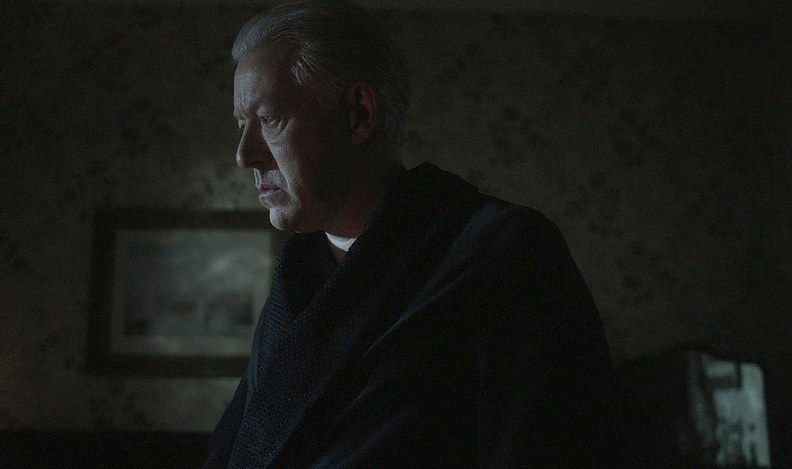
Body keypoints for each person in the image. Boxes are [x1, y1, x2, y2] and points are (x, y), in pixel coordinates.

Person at [204, 1, 622, 467]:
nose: (244, 155)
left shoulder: (507, 253)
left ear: (358, 114)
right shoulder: (296, 280)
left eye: (269, 120)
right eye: (242, 125)